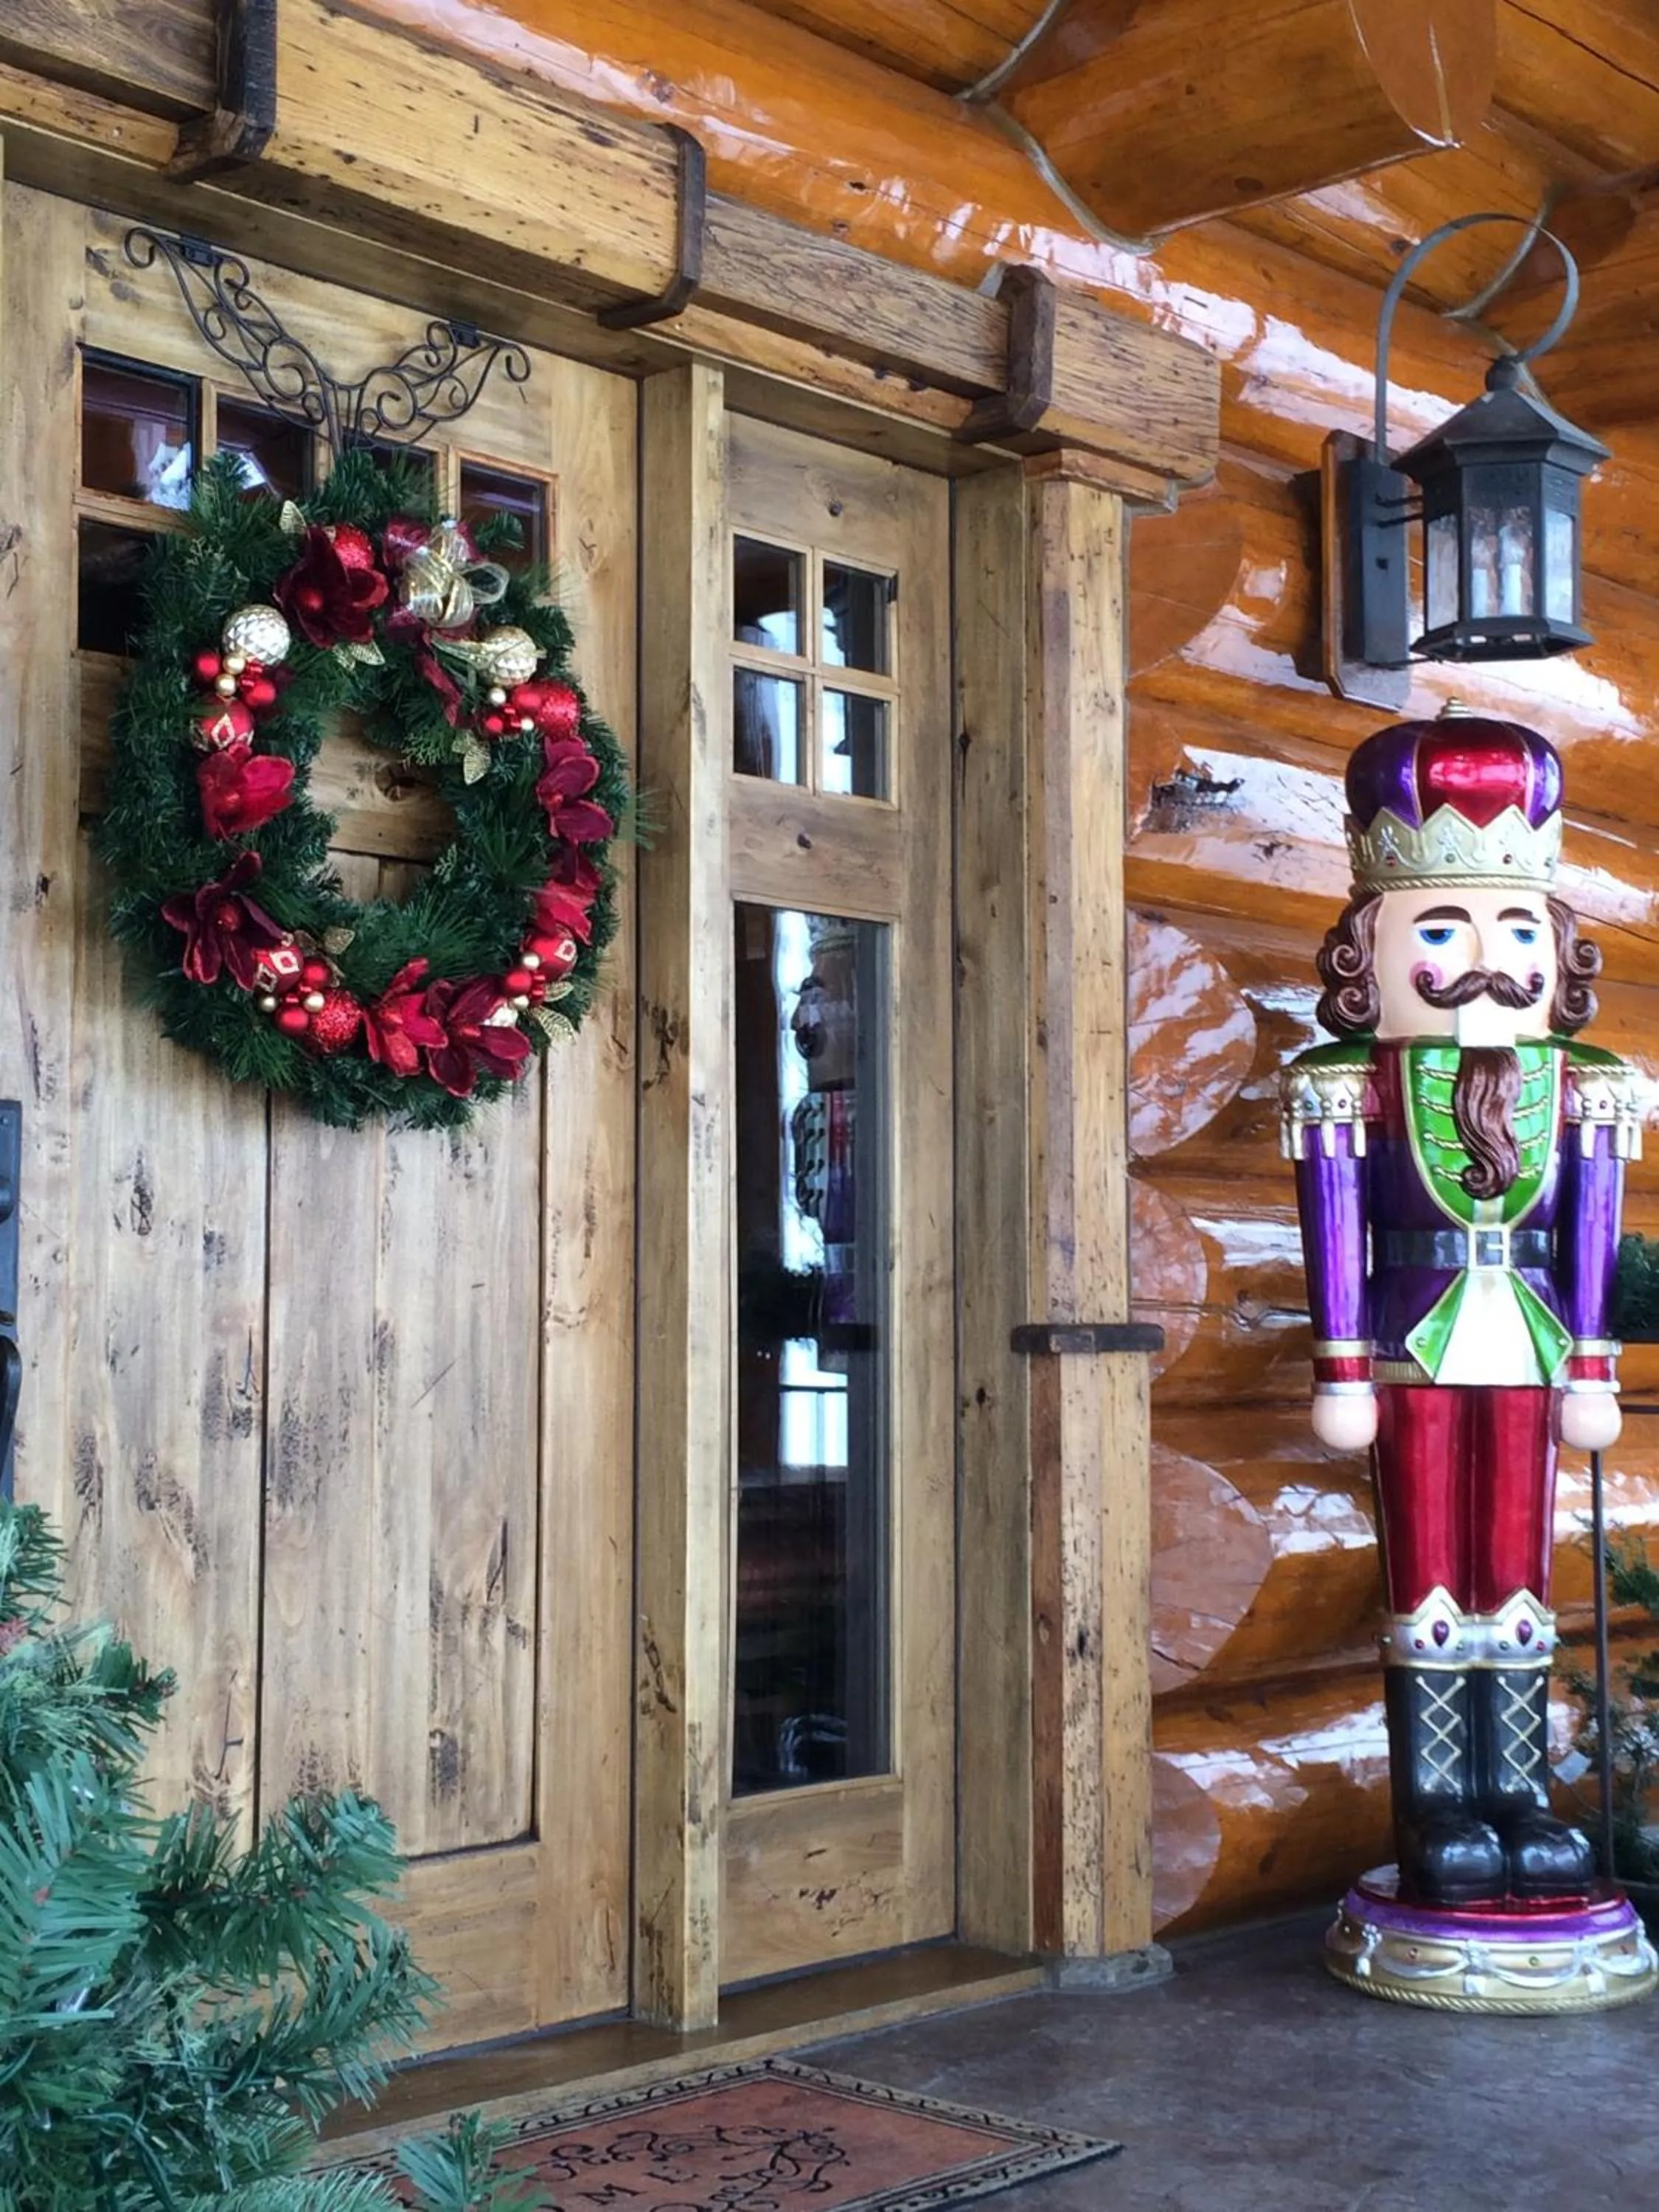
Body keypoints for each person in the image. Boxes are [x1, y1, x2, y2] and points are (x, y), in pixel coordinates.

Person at [1281, 706, 1644, 1907]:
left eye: (1514, 931)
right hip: (1410, 1336)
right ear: (1366, 951)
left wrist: (1590, 1365)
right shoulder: (1349, 1086)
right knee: (1429, 1563)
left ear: (1554, 946)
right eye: (1441, 926)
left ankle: (1517, 1795)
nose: (1488, 960)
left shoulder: (1584, 1085)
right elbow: (1333, 1229)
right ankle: (1437, 1799)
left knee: (1517, 1561)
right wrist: (1340, 1365)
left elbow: (1589, 1229)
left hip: (1534, 1339)